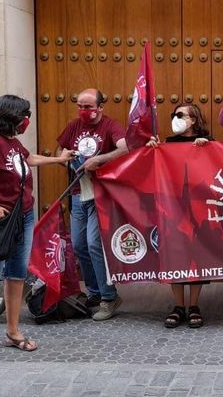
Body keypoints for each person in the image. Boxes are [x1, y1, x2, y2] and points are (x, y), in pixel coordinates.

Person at [0, 94, 74, 372]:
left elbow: (28, 159)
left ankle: (13, 332)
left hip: (24, 216)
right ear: (10, 117)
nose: (27, 120)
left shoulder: (12, 143)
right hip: (0, 222)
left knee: (17, 275)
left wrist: (59, 160)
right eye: (24, 115)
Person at [56, 88, 129, 321]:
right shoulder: (73, 126)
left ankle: (110, 297)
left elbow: (125, 147)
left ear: (100, 107)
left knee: (94, 244)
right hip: (78, 194)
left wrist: (99, 160)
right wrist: (66, 160)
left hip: (100, 194)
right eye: (80, 106)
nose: (83, 111)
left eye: (88, 106)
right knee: (79, 245)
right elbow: (60, 149)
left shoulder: (110, 126)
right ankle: (95, 293)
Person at [147, 103, 212, 328]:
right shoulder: (167, 144)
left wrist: (207, 149)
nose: (176, 118)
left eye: (181, 115)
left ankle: (194, 305)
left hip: (198, 207)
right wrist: (152, 148)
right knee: (175, 253)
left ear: (193, 120)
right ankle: (178, 306)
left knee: (196, 255)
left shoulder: (207, 142)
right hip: (172, 206)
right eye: (174, 115)